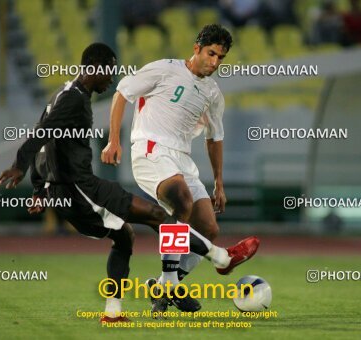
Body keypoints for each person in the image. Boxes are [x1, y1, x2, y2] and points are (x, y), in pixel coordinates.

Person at [0, 43, 259, 323]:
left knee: (124, 236)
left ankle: (114, 312)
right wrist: (19, 166)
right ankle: (221, 258)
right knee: (158, 215)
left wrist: (39, 189)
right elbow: (43, 135)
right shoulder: (74, 99)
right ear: (94, 68)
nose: (111, 79)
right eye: (109, 71)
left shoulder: (62, 93)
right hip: (80, 189)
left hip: (72, 191)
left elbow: (45, 142)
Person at [101, 24, 253, 314]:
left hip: (182, 159)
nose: (215, 62)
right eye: (211, 54)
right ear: (196, 48)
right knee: (180, 200)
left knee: (209, 227)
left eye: (221, 57)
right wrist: (112, 140)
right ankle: (169, 285)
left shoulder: (213, 94)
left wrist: (219, 182)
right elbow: (122, 92)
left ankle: (161, 284)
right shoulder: (165, 69)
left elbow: (214, 137)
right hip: (149, 149)